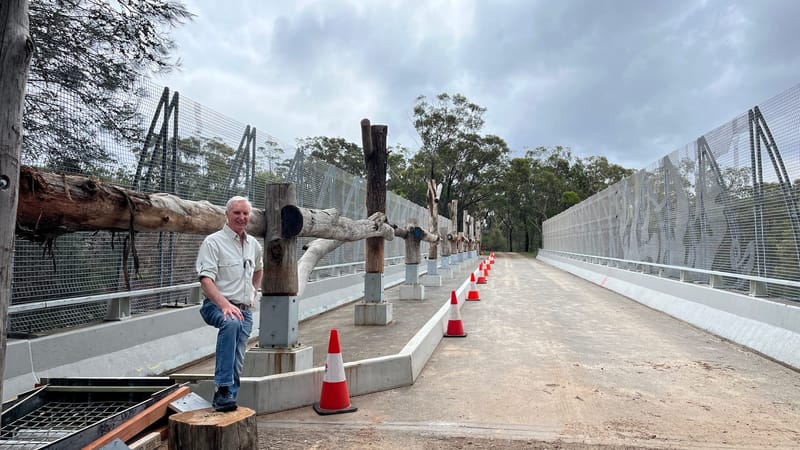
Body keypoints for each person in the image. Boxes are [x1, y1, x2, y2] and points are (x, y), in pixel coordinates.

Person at [196, 196, 263, 412]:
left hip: (245, 309)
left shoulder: (253, 245)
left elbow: (259, 268)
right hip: (216, 305)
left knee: (238, 354)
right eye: (237, 213)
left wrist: (253, 292)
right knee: (231, 323)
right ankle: (223, 387)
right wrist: (225, 305)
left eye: (245, 213)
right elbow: (206, 280)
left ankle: (227, 399)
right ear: (227, 214)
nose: (241, 217)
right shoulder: (213, 242)